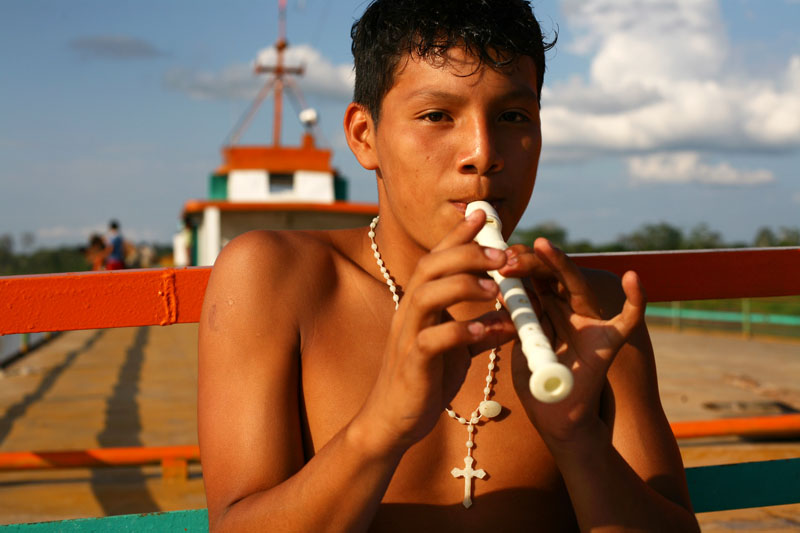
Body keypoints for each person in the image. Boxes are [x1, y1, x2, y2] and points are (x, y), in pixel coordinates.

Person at [198, 1, 700, 530]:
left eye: (512, 117)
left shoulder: (588, 312)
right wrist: (382, 426)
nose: (483, 153)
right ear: (364, 136)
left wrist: (578, 441)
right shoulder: (276, 278)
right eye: (437, 115)